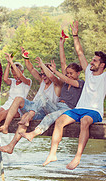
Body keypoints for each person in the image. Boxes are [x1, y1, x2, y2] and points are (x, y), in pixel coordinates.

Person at [43, 20, 106, 170]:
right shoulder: (88, 73)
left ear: (102, 65)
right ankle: (53, 154)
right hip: (78, 109)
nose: (91, 62)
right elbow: (80, 53)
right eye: (92, 60)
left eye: (95, 61)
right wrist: (75, 35)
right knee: (59, 121)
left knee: (85, 121)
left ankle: (77, 157)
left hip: (94, 112)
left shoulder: (104, 77)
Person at [0, 48, 61, 154]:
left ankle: (28, 117)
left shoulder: (57, 84)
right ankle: (7, 133)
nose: (43, 76)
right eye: (42, 74)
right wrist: (25, 57)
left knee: (40, 101)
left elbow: (52, 76)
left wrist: (44, 65)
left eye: (45, 74)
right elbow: (31, 69)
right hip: (33, 108)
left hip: (46, 110)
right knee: (18, 100)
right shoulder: (42, 81)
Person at [20, 34, 84, 142]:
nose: (68, 75)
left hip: (68, 110)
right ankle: (29, 117)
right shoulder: (63, 83)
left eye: (71, 73)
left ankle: (33, 134)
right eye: (67, 73)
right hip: (57, 106)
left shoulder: (80, 83)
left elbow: (57, 77)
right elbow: (63, 62)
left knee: (49, 117)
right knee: (43, 97)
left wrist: (51, 69)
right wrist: (61, 44)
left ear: (78, 73)